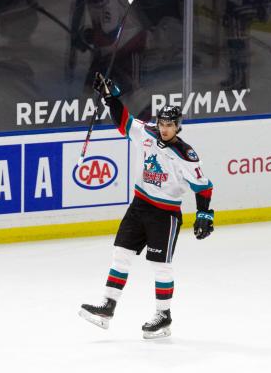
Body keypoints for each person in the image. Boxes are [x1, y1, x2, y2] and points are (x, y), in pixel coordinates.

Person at [79, 72, 214, 339]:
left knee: (160, 265)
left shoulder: (186, 155)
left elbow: (204, 187)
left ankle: (163, 317)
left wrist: (204, 214)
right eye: (161, 123)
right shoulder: (147, 134)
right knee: (121, 253)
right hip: (139, 205)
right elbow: (124, 121)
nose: (164, 128)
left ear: (178, 127)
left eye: (169, 125)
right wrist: (110, 96)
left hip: (165, 214)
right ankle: (107, 306)